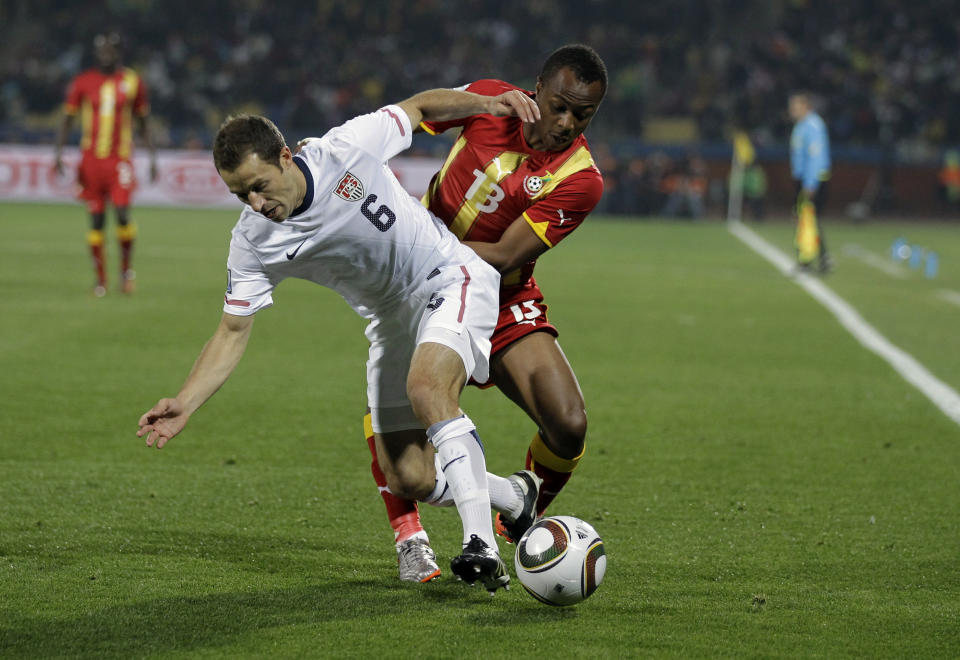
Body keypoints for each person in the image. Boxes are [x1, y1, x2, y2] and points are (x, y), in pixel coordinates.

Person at [136, 88, 545, 595]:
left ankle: (480, 544)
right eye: (241, 195)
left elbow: (417, 110)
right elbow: (232, 331)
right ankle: (512, 495)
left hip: (449, 277)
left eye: (260, 186)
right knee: (409, 478)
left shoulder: (345, 148)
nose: (257, 204)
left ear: (287, 157)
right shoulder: (252, 241)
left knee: (428, 389)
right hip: (390, 321)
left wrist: (485, 104)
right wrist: (186, 401)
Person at [360, 44, 607, 582]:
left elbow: (503, 254)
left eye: (582, 114)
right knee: (409, 462)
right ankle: (411, 538)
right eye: (559, 106)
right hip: (421, 288)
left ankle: (519, 521)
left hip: (502, 294)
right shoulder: (491, 99)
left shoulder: (581, 179)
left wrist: (414, 236)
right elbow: (417, 114)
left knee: (568, 423)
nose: (566, 123)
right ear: (536, 88)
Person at [54, 32, 157, 297]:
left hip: (119, 159)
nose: (106, 54)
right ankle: (100, 281)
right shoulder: (83, 82)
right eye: (102, 50)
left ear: (119, 52)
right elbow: (67, 119)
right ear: (96, 53)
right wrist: (58, 153)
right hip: (90, 161)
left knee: (122, 213)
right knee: (96, 221)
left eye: (111, 49)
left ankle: (126, 272)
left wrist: (153, 156)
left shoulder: (132, 81)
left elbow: (143, 120)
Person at [788, 91, 831, 273]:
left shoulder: (813, 126)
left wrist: (810, 184)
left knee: (806, 220)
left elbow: (816, 156)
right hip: (805, 178)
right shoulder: (802, 125)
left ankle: (806, 261)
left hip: (812, 179)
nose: (792, 111)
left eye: (795, 107)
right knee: (809, 220)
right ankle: (823, 259)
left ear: (806, 107)